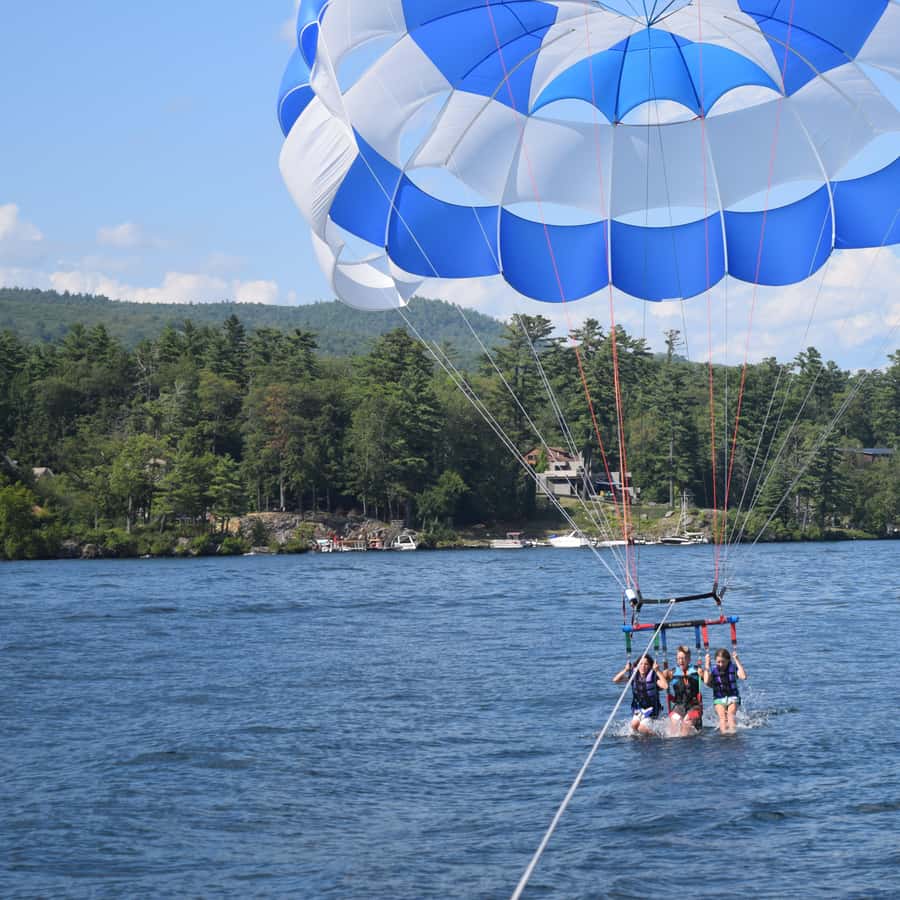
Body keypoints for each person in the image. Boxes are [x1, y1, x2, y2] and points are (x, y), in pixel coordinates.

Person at [612, 654, 669, 735]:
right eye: (641, 664)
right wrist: (625, 669)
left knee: (641, 727)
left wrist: (657, 671)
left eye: (646, 664)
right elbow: (615, 680)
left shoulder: (653, 678)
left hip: (652, 710)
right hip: (639, 709)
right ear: (637, 665)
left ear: (650, 666)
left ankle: (656, 735)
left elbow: (665, 686)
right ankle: (641, 738)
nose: (643, 666)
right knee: (633, 725)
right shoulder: (633, 677)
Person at [701, 647, 747, 734]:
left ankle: (733, 735)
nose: (721, 664)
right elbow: (706, 681)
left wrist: (737, 660)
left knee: (730, 716)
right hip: (719, 699)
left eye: (723, 662)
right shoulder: (714, 671)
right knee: (722, 717)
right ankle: (724, 736)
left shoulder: (733, 668)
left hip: (733, 698)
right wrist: (707, 665)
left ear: (728, 660)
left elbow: (743, 676)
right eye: (718, 662)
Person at [665, 645, 703, 737]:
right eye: (679, 658)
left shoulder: (696, 671)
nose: (681, 661)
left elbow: (708, 680)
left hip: (694, 706)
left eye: (683, 658)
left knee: (685, 725)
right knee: (672, 727)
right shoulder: (672, 673)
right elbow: (661, 683)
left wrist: (704, 671)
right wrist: (658, 671)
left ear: (689, 659)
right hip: (679, 705)